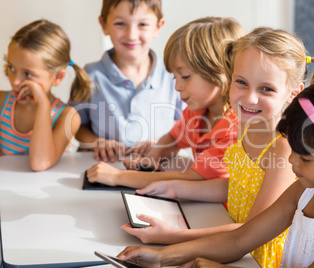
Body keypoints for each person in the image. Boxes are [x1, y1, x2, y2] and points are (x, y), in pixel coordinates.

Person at [116, 72, 314, 268]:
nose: (292, 163)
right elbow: (240, 239)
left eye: (305, 159)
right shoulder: (305, 188)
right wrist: (163, 257)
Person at [118, 27, 314, 268]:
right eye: (241, 82)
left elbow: (250, 231)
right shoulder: (245, 124)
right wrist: (174, 188)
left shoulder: (283, 147)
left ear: (293, 93)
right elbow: (238, 186)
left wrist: (173, 236)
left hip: (258, 258)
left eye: (266, 89)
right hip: (233, 245)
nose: (249, 98)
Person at [85, 17, 245, 188]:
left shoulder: (235, 127)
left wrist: (119, 177)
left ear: (220, 71)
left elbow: (195, 177)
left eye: (185, 77)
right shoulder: (197, 112)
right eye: (174, 78)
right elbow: (173, 139)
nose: (177, 86)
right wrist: (152, 158)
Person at [70, 0, 185, 163]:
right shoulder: (89, 75)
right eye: (120, 23)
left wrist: (163, 144)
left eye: (143, 24)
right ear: (103, 25)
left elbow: (189, 125)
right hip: (102, 166)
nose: (131, 35)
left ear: (158, 26)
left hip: (156, 169)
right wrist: (97, 142)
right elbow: (76, 126)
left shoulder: (172, 75)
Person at [0, 19, 91, 171]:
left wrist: (43, 104)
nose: (15, 81)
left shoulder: (68, 117)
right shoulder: (2, 103)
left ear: (58, 78)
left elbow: (40, 163)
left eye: (28, 74)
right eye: (12, 67)